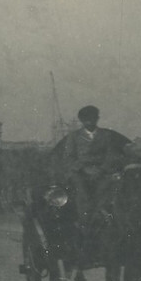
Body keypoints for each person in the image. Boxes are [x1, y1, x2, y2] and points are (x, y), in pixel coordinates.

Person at [51, 105, 131, 250]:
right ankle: (85, 223)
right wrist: (82, 169)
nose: (90, 122)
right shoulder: (73, 137)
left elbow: (111, 155)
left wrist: (102, 170)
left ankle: (105, 220)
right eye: (87, 119)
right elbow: (69, 158)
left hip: (102, 172)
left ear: (97, 119)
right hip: (79, 172)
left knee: (109, 190)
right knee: (82, 192)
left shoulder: (106, 136)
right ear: (82, 121)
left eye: (93, 118)